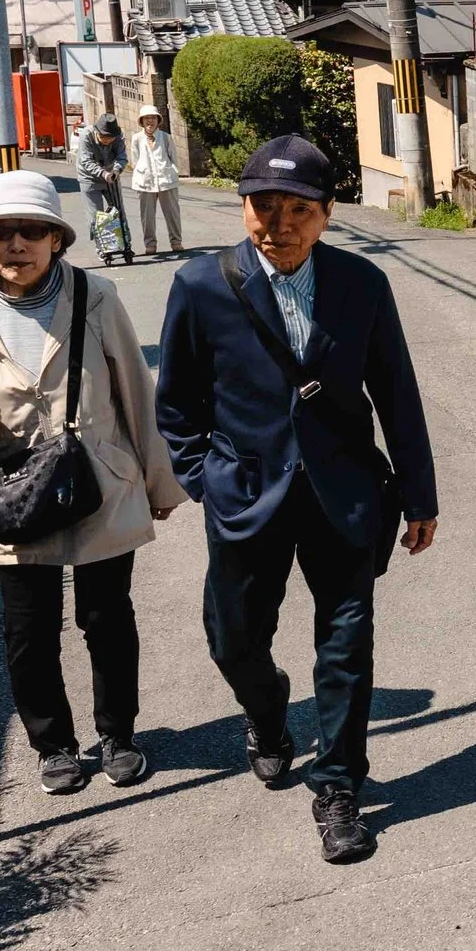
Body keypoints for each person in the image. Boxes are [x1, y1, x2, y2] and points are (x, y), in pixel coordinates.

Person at [155, 134, 439, 864]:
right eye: (262, 206)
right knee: (234, 637)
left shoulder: (362, 284)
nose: (277, 223)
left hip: (343, 493)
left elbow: (397, 395)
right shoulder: (201, 286)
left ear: (327, 213)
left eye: (297, 209)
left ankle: (338, 786)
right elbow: (178, 405)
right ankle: (267, 711)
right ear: (241, 206)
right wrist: (204, 476)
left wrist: (418, 494)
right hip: (244, 493)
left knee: (346, 644)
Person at [0, 170, 185, 796]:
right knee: (28, 629)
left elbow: (136, 392)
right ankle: (55, 746)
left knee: (106, 618)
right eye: (1, 233)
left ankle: (119, 735)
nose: (17, 244)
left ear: (56, 239)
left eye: (31, 231)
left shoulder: (95, 296)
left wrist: (159, 485)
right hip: (14, 485)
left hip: (100, 479)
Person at [128, 102, 184, 256]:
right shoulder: (136, 139)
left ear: (158, 120)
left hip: (166, 180)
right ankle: (150, 244)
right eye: (146, 118)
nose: (149, 121)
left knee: (172, 213)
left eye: (153, 118)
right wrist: (142, 171)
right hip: (145, 182)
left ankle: (176, 241)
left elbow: (174, 158)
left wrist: (172, 172)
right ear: (141, 121)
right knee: (147, 217)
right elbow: (135, 160)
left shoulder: (166, 137)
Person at [73, 112, 130, 259]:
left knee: (118, 212)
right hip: (89, 178)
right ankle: (102, 248)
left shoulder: (117, 136)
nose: (107, 140)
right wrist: (103, 173)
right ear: (97, 132)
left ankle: (125, 243)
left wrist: (116, 170)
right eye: (104, 137)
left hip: (111, 176)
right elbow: (86, 161)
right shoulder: (87, 135)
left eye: (110, 138)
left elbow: (122, 157)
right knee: (95, 216)